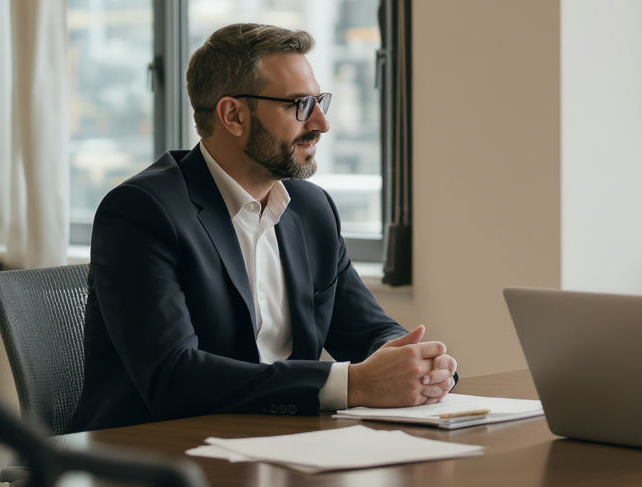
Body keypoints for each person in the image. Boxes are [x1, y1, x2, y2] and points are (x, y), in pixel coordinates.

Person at [70, 23, 455, 431]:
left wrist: (417, 363)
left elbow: (367, 330)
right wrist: (353, 384)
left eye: (319, 101)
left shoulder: (311, 209)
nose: (321, 123)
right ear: (233, 115)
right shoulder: (142, 211)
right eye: (300, 105)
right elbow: (172, 376)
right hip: (153, 452)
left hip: (279, 445)